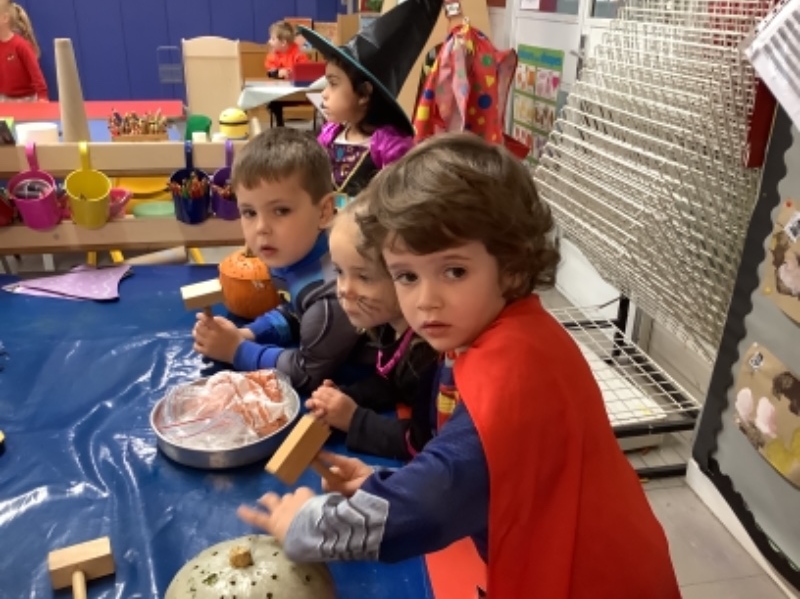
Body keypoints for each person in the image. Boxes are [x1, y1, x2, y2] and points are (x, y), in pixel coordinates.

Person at [237, 133, 681, 598]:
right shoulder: (501, 332)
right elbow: (484, 472)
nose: (426, 300)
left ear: (512, 266)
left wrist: (308, 524)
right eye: (406, 275)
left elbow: (434, 503)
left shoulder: (515, 371)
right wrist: (391, 484)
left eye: (454, 271)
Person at [192, 128, 371, 394]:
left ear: (324, 211)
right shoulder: (295, 252)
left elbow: (306, 373)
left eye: (281, 210)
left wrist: (236, 350)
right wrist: (248, 334)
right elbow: (294, 311)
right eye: (249, 212)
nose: (261, 228)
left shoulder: (334, 295)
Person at [306, 196, 439, 459]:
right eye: (339, 272)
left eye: (364, 277)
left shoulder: (426, 357)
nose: (344, 290)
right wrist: (346, 397)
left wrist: (353, 419)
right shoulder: (388, 322)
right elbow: (389, 380)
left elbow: (423, 443)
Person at [298, 0, 441, 200]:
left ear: (364, 93)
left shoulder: (390, 147)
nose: (324, 93)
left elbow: (400, 202)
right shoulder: (329, 136)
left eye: (333, 83)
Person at [264, 20, 309, 128]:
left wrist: (292, 73)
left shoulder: (299, 54)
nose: (269, 41)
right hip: (280, 93)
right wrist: (278, 73)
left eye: (273, 39)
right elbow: (269, 72)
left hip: (297, 92)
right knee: (271, 101)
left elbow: (305, 70)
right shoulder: (273, 55)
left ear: (283, 42)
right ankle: (280, 124)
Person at [0, 0, 46, 102]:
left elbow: (36, 74)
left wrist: (42, 97)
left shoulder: (21, 46)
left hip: (27, 99)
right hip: (3, 99)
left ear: (4, 18)